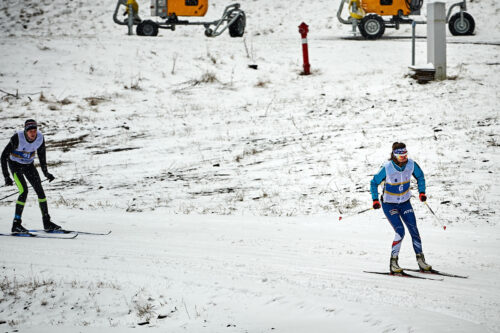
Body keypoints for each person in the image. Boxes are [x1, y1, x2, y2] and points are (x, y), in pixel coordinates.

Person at [370, 142, 432, 273]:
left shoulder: (411, 164)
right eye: (401, 156)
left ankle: (421, 260)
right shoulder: (387, 167)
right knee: (400, 231)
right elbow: (373, 182)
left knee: (414, 230)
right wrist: (375, 200)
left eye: (405, 155)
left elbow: (420, 177)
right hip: (389, 204)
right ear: (394, 156)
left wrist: (422, 192)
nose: (404, 158)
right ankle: (393, 262)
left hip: (405, 202)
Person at [1, 119, 60, 233]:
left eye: (35, 130)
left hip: (28, 166)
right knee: (24, 191)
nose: (33, 133)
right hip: (15, 166)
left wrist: (46, 173)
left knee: (41, 192)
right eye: (30, 131)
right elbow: (3, 156)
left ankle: (47, 222)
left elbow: (42, 157)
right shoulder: (17, 138)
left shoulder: (39, 138)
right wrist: (7, 176)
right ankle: (16, 224)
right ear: (25, 131)